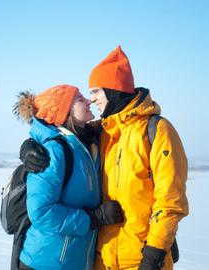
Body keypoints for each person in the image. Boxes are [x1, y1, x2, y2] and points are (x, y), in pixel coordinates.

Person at [23, 47, 189, 270]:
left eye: (95, 91)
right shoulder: (103, 132)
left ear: (113, 90)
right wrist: (29, 147)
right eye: (87, 94)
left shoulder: (157, 131)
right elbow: (57, 129)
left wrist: (155, 252)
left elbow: (170, 201)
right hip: (102, 260)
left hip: (141, 260)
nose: (91, 100)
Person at [13, 84, 124, 270]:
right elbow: (41, 212)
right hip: (45, 263)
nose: (89, 100)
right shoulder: (54, 150)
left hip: (73, 261)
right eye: (80, 99)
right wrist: (94, 218)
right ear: (64, 113)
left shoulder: (88, 142)